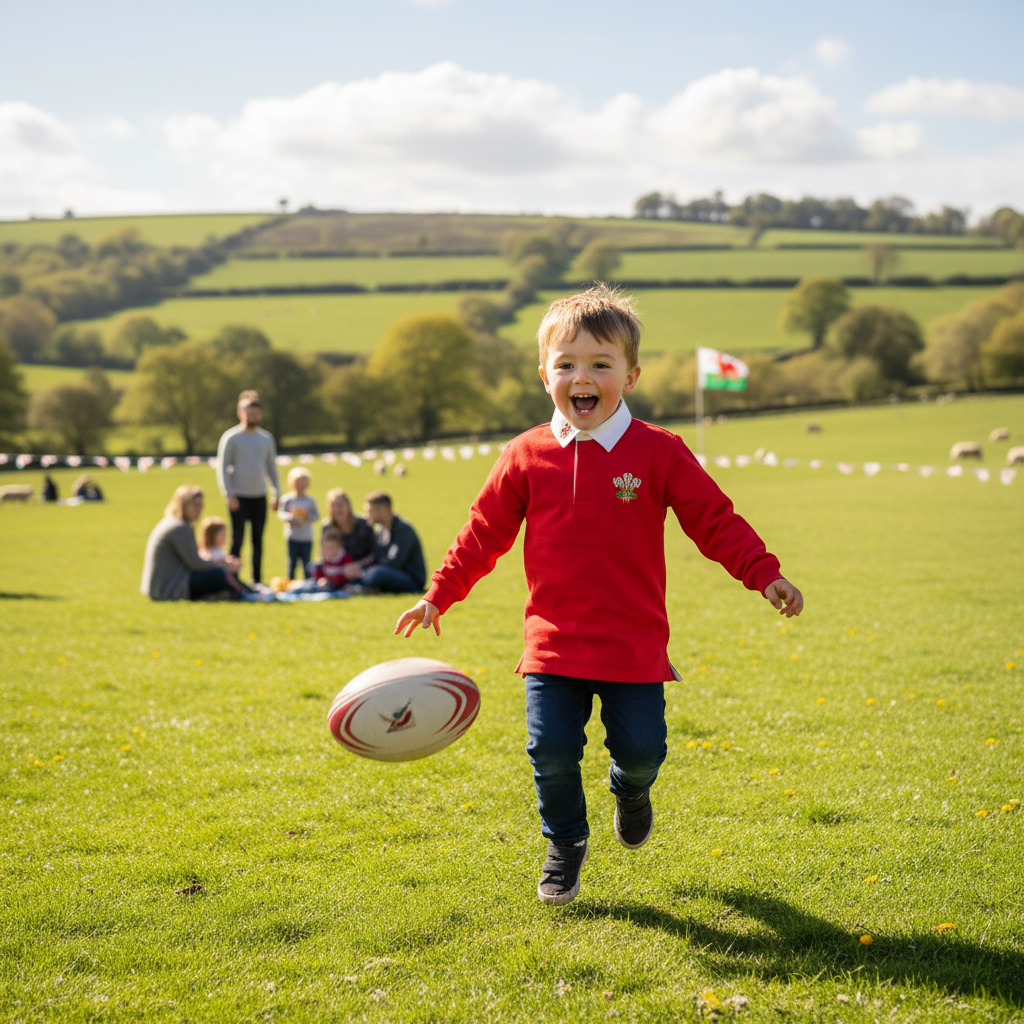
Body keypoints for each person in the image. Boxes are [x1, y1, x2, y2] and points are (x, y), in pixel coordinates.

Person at [394, 287, 803, 907]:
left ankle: (630, 790)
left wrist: (763, 572)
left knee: (642, 753)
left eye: (599, 364)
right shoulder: (525, 455)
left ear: (630, 376)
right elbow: (483, 532)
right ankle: (564, 844)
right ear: (544, 376)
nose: (581, 377)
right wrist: (439, 594)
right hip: (551, 645)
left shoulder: (659, 451)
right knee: (549, 751)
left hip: (633, 647)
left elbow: (714, 519)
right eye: (566, 365)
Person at [216, 390, 280, 583]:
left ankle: (257, 580)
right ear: (240, 413)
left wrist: (277, 492)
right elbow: (222, 467)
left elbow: (271, 467)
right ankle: (233, 579)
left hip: (259, 496)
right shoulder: (231, 438)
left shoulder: (266, 438)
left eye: (256, 413)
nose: (252, 417)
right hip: (238, 498)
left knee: (258, 542)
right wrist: (229, 494)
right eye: (249, 413)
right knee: (237, 541)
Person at [141, 485, 241, 601]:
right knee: (218, 575)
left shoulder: (174, 523)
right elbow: (195, 563)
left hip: (162, 587)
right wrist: (224, 566)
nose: (199, 509)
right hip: (169, 588)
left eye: (201, 505)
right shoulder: (179, 527)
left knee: (219, 573)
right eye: (195, 505)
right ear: (183, 505)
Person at [357, 491, 426, 594]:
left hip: (412, 580)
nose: (367, 515)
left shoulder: (403, 530)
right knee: (373, 572)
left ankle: (359, 587)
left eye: (370, 511)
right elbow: (375, 557)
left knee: (377, 573)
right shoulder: (382, 531)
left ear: (385, 509)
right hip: (392, 574)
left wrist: (363, 573)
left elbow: (395, 562)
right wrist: (358, 567)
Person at [279, 467, 319, 579]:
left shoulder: (310, 501)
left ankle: (308, 583)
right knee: (292, 563)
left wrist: (307, 517)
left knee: (307, 563)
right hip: (292, 537)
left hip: (306, 537)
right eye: (297, 483)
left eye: (303, 484)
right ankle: (290, 582)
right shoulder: (287, 499)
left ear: (307, 485)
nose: (300, 486)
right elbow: (281, 513)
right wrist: (289, 517)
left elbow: (316, 516)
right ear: (291, 483)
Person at [322, 488, 376, 566]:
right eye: (333, 505)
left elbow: (373, 554)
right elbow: (324, 555)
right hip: (336, 570)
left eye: (340, 505)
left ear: (348, 505)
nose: (337, 509)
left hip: (363, 568)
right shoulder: (328, 527)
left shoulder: (364, 525)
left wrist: (357, 565)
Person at [289, 527, 353, 592]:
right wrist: (320, 578)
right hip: (321, 583)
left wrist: (331, 579)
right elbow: (319, 573)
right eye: (326, 548)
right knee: (308, 584)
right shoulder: (324, 560)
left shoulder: (345, 558)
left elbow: (345, 577)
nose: (329, 551)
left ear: (339, 546)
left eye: (332, 548)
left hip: (335, 586)